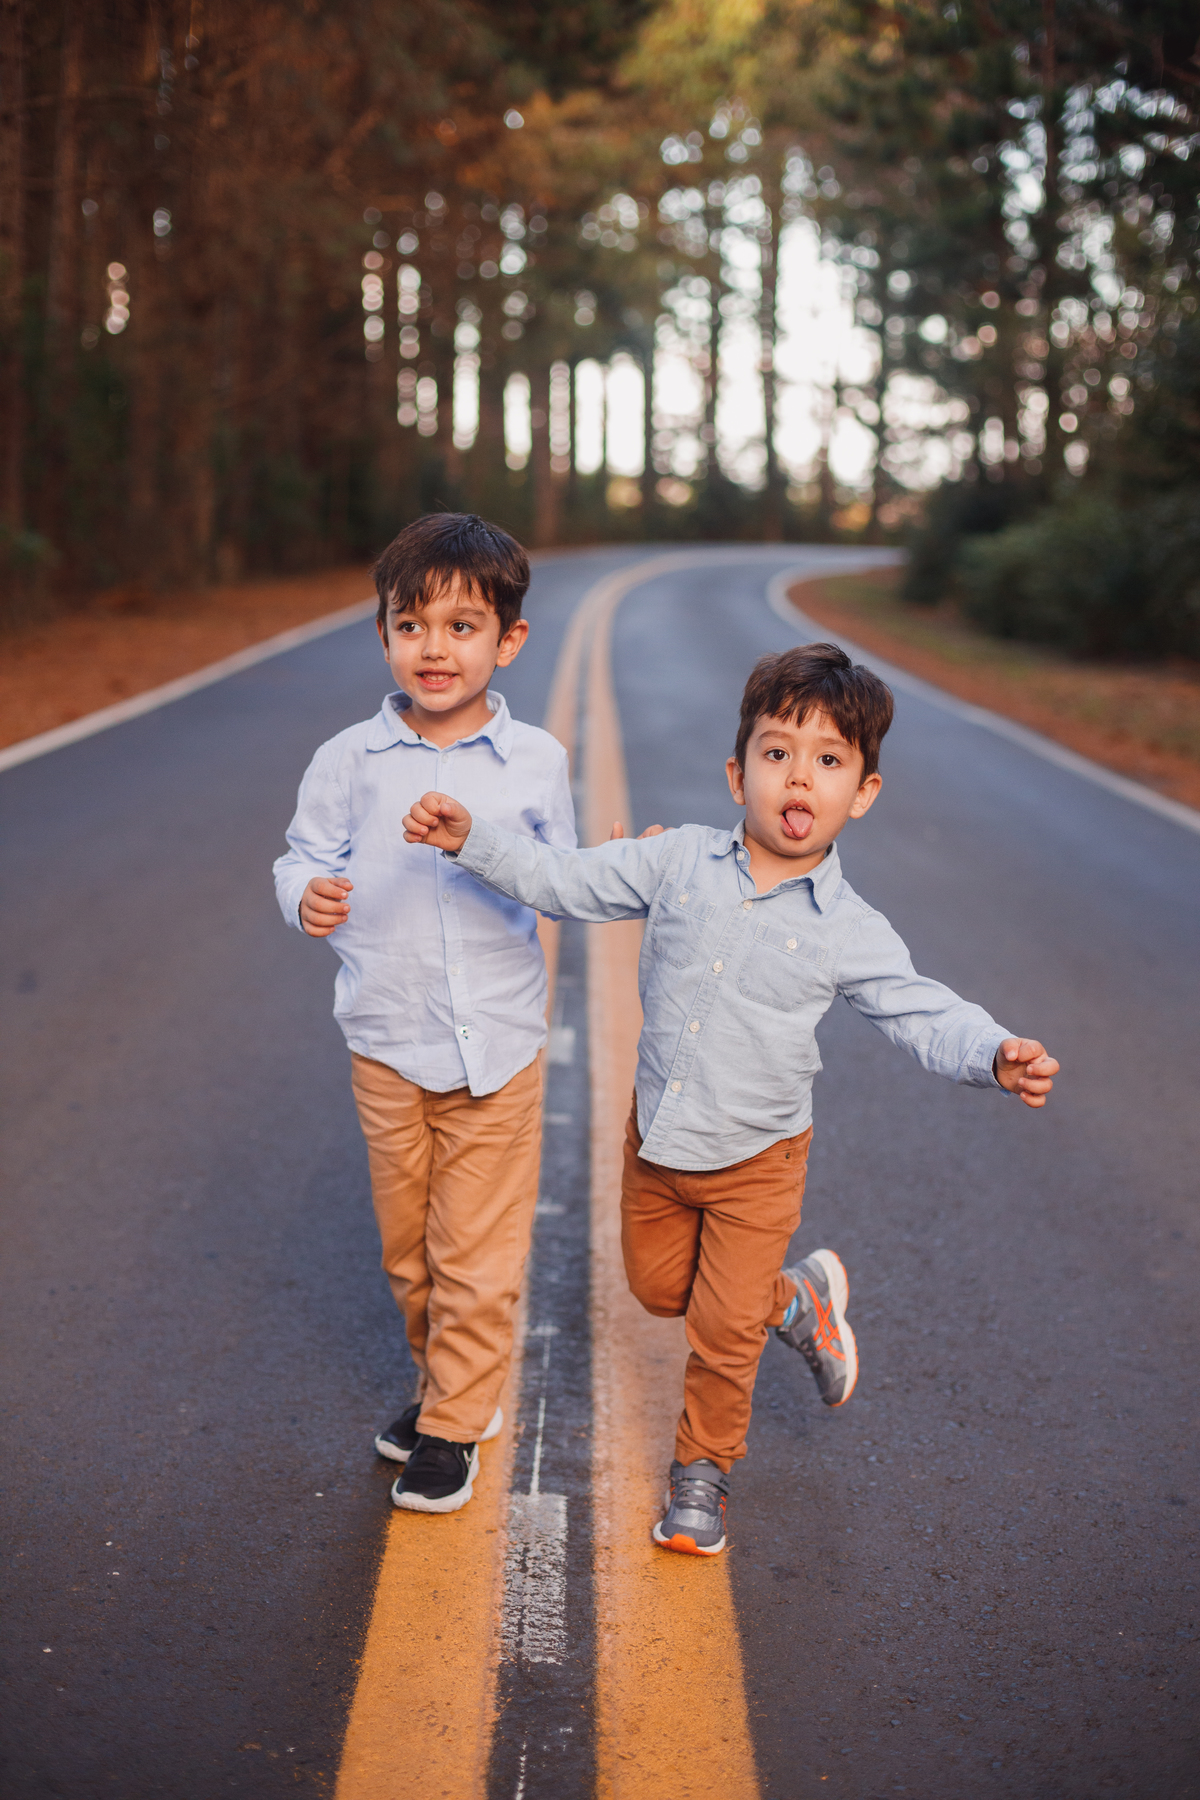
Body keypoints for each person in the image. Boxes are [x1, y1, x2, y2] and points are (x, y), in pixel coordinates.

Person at [400, 642, 1060, 1555]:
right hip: (659, 1148)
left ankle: (702, 1475)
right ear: (737, 771)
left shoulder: (851, 932)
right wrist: (469, 837)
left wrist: (994, 1053)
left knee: (720, 1335)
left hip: (760, 1163)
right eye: (778, 751)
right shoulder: (674, 866)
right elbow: (566, 882)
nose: (800, 777)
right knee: (658, 1289)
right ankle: (798, 1303)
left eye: (829, 761)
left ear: (862, 792)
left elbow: (921, 1010)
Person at [273, 513, 576, 1515]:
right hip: (386, 1043)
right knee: (410, 1255)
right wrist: (303, 895)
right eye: (413, 625)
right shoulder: (348, 759)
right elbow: (302, 852)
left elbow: (559, 880)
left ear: (508, 641)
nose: (436, 648)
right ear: (384, 636)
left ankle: (451, 1424)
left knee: (473, 1257)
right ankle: (451, 1383)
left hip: (497, 1048)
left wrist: (611, 864)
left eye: (462, 625)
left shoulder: (533, 763)